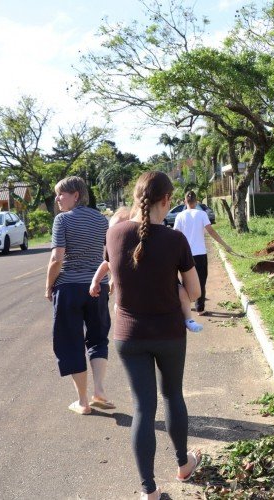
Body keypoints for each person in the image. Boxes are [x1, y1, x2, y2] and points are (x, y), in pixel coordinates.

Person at [105, 171, 203, 499]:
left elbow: (114, 278)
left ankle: (149, 490)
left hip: (128, 336)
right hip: (169, 334)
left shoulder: (114, 234)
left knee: (143, 408)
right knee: (172, 396)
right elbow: (194, 291)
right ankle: (183, 464)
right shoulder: (175, 240)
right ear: (167, 201)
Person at [45, 176, 114, 415]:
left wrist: (48, 286)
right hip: (98, 287)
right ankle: (100, 390)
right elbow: (108, 256)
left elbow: (57, 258)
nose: (57, 199)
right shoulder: (101, 219)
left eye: (60, 194)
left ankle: (83, 402)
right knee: (98, 337)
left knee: (70, 341)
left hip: (70, 289)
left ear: (76, 195)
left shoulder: (62, 220)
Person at [90, 206, 203, 333]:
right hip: (136, 311)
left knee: (181, 291)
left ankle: (188, 319)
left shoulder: (148, 241)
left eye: (120, 227)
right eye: (113, 229)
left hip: (156, 298)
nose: (117, 232)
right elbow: (106, 264)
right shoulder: (117, 247)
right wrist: (96, 281)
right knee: (119, 306)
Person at [172, 190, 234, 315]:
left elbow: (175, 235)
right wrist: (225, 245)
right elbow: (211, 231)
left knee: (185, 280)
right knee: (201, 280)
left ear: (185, 202)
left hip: (184, 254)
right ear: (197, 201)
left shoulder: (180, 216)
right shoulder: (202, 214)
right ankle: (200, 308)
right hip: (200, 254)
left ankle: (186, 306)